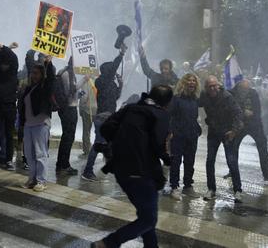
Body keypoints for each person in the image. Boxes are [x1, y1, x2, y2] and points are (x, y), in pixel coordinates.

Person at [91, 86, 173, 248]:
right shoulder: (160, 115)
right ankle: (108, 243)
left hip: (121, 171)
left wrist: (123, 142)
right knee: (148, 219)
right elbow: (159, 145)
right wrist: (168, 159)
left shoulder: (131, 108)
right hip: (143, 172)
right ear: (166, 102)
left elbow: (106, 128)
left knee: (145, 214)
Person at [82, 46, 125, 181]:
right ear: (107, 71)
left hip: (109, 117)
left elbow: (116, 97)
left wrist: (121, 84)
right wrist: (121, 54)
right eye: (112, 69)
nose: (114, 71)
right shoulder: (101, 80)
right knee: (99, 144)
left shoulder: (110, 84)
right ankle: (87, 171)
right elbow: (113, 67)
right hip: (103, 118)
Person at [199, 75, 244, 202]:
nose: (213, 88)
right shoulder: (204, 95)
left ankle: (238, 190)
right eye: (210, 86)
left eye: (215, 85)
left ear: (218, 85)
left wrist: (234, 131)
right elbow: (195, 103)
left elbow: (238, 113)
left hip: (227, 132)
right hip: (213, 131)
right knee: (210, 160)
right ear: (206, 88)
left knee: (232, 161)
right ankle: (211, 189)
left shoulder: (227, 97)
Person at [18, 56, 55, 192]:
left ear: (42, 74)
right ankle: (32, 179)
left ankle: (41, 181)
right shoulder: (29, 88)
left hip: (40, 124)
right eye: (32, 73)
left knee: (40, 153)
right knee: (29, 153)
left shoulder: (45, 87)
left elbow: (51, 79)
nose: (33, 75)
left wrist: (48, 64)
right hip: (28, 125)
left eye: (36, 73)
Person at [230, 79, 268, 181]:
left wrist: (256, 119)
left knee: (262, 148)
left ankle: (267, 174)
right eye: (243, 88)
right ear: (239, 87)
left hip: (254, 124)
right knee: (233, 148)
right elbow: (232, 106)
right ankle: (232, 171)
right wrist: (243, 111)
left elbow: (257, 109)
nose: (246, 90)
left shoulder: (253, 93)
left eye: (247, 88)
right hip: (239, 124)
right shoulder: (232, 93)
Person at [167, 73, 202, 200]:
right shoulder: (176, 99)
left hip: (192, 135)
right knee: (176, 161)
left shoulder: (195, 100)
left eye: (194, 80)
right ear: (184, 83)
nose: (192, 82)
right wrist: (170, 132)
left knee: (190, 161)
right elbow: (168, 116)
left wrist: (198, 129)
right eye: (189, 80)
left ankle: (187, 186)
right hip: (178, 135)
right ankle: (174, 187)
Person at [0, 43, 19, 170]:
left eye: (7, 63)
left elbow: (14, 59)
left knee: (9, 134)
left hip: (10, 106)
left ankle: (8, 160)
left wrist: (6, 48)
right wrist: (0, 50)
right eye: (3, 63)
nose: (5, 65)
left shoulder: (13, 72)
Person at [55, 57, 79, 175]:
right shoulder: (67, 74)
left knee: (67, 137)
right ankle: (63, 165)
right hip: (68, 109)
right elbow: (71, 91)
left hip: (67, 108)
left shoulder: (65, 72)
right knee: (68, 137)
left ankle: (62, 164)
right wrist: (85, 80)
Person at [79, 74, 97, 156]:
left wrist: (81, 108)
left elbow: (84, 97)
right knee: (98, 131)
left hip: (87, 109)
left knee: (86, 131)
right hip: (97, 109)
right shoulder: (98, 80)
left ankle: (87, 151)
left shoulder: (86, 82)